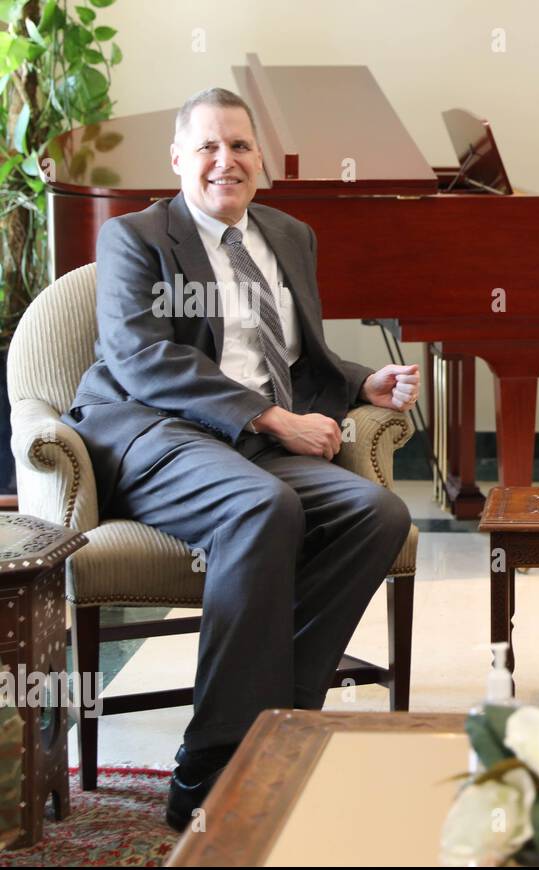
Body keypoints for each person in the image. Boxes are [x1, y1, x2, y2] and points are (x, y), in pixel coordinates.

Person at [63, 87, 419, 831]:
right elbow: (140, 358)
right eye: (207, 147)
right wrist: (271, 417)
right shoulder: (137, 237)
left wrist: (362, 381)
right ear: (177, 161)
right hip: (156, 436)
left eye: (241, 146)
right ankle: (207, 767)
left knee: (374, 512)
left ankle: (279, 727)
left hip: (252, 445)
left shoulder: (290, 235)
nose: (226, 161)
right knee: (263, 505)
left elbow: (298, 356)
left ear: (263, 160)